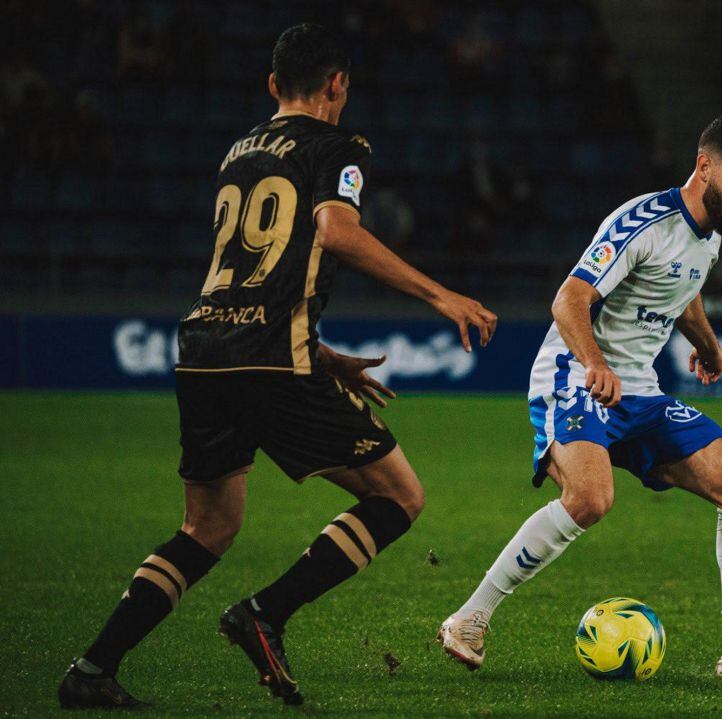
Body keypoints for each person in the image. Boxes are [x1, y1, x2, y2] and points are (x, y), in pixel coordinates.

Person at [58, 23, 497, 709]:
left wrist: (321, 354)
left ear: (272, 85)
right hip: (269, 357)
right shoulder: (339, 146)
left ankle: (91, 668)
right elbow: (335, 231)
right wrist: (443, 294)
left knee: (207, 527)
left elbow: (247, 278)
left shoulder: (239, 153)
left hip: (205, 349)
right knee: (399, 496)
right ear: (338, 84)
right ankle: (265, 611)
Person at [438, 114, 722, 680]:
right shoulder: (644, 222)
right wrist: (595, 364)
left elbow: (681, 292)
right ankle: (469, 618)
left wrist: (707, 345)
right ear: (704, 165)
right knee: (590, 499)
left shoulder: (711, 235)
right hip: (575, 376)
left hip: (639, 390)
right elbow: (568, 300)